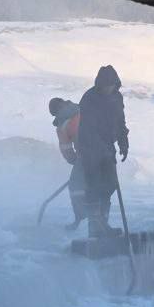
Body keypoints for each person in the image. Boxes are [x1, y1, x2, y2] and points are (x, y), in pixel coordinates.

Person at [77, 65, 129, 238]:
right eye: (106, 85)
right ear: (99, 84)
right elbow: (88, 129)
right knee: (94, 186)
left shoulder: (116, 97)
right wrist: (102, 149)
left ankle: (103, 223)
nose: (109, 88)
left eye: (112, 85)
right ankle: (95, 227)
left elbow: (120, 121)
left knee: (109, 185)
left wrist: (123, 141)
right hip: (89, 148)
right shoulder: (89, 99)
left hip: (107, 146)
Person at [49, 97, 86, 229]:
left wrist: (76, 162)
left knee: (76, 187)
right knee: (100, 187)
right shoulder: (82, 109)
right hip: (104, 151)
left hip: (85, 156)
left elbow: (67, 150)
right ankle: (101, 222)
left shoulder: (62, 125)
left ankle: (80, 220)